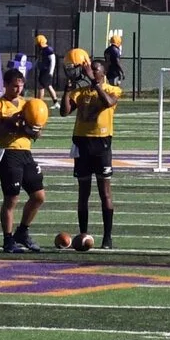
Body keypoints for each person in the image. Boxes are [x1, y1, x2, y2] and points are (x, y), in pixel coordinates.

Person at [0, 79, 50, 253]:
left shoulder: (27, 104)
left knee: (39, 196)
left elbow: (36, 134)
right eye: (14, 85)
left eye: (21, 85)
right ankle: (8, 239)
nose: (18, 89)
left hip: (26, 153)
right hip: (8, 153)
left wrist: (34, 128)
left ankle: (22, 232)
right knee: (11, 199)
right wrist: (10, 122)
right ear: (5, 85)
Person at [65, 53, 121, 249]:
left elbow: (108, 102)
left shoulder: (112, 89)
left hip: (101, 143)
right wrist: (67, 91)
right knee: (83, 193)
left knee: (105, 192)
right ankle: (83, 233)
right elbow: (65, 111)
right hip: (82, 143)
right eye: (91, 70)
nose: (91, 72)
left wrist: (94, 82)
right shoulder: (81, 92)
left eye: (95, 70)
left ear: (103, 73)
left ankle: (107, 237)